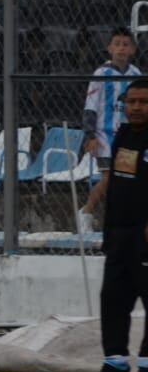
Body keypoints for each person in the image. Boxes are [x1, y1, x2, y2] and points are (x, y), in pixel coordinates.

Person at [85, 78, 148, 372]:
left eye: (143, 102)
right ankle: (115, 367)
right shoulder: (124, 135)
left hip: (145, 235)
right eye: (131, 102)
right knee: (112, 299)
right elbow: (119, 184)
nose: (136, 107)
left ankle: (147, 371)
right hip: (120, 235)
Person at [80, 29, 142, 234]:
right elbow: (90, 105)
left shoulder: (136, 75)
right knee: (108, 178)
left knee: (125, 178)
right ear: (109, 48)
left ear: (132, 49)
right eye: (117, 44)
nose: (121, 48)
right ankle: (86, 212)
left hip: (127, 135)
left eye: (126, 44)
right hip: (104, 136)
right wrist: (89, 135)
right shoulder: (101, 74)